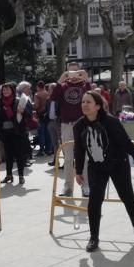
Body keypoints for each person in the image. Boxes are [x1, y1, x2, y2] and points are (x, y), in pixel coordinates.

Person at [73, 89, 134, 252]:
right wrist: (78, 171)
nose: (84, 105)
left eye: (88, 102)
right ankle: (94, 237)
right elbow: (79, 149)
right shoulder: (79, 125)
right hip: (96, 166)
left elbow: (126, 142)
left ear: (98, 106)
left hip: (118, 164)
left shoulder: (111, 122)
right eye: (83, 102)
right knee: (94, 201)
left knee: (127, 197)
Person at [51, 64, 89, 196]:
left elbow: (92, 97)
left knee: (84, 157)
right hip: (66, 124)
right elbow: (53, 97)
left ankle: (86, 186)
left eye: (76, 71)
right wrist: (60, 80)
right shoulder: (62, 87)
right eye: (70, 71)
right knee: (68, 158)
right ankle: (68, 188)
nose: (73, 74)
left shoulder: (84, 86)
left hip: (83, 124)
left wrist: (86, 79)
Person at [0, 82, 30, 186]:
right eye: (3, 89)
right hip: (5, 133)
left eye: (7, 89)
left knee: (19, 155)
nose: (5, 91)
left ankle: (21, 176)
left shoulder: (18, 101)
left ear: (12, 91)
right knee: (8, 155)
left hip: (18, 132)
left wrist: (22, 111)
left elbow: (28, 116)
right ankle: (9, 175)